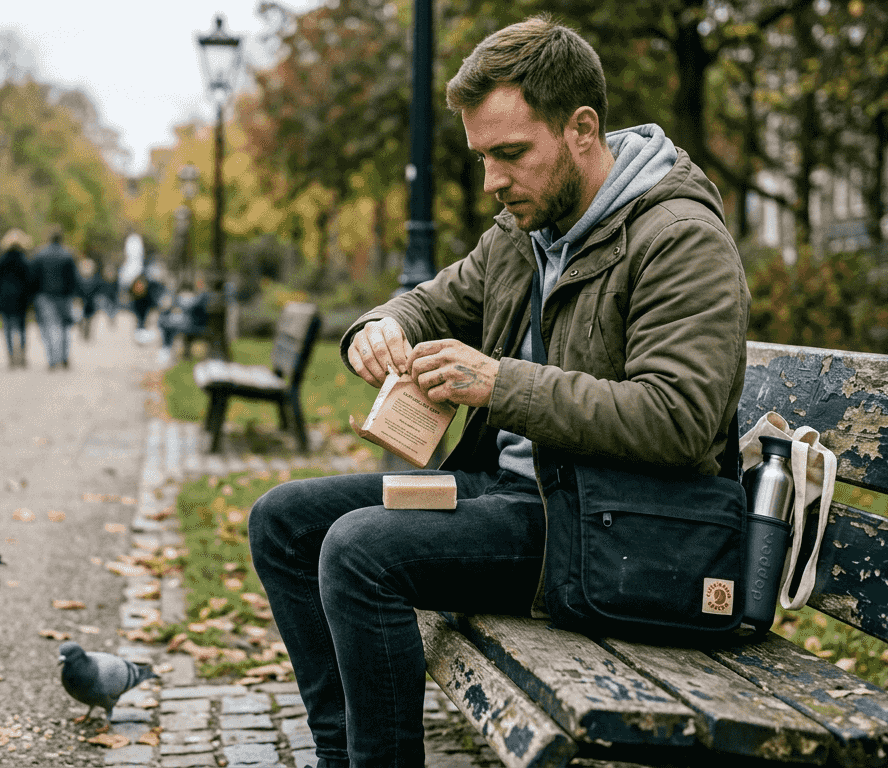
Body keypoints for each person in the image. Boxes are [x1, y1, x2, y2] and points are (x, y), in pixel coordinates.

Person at [247, 17, 749, 766]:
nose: (492, 181)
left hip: (608, 525)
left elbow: (678, 419)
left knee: (358, 552)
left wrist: (499, 383)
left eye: (510, 154)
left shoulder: (676, 236)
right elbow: (430, 301)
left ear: (582, 129)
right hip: (512, 495)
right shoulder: (524, 232)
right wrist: (378, 328)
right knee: (283, 521)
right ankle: (343, 754)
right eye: (482, 157)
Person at [29, 230, 78, 370]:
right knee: (64, 328)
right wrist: (72, 295)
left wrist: (34, 295)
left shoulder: (40, 255)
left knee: (49, 327)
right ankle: (63, 357)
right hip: (64, 296)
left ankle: (52, 359)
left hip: (44, 295)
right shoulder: (68, 255)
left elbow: (33, 277)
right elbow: (73, 279)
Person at [0, 228, 33, 368]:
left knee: (8, 328)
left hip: (6, 298)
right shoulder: (24, 260)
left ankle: (11, 355)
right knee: (21, 328)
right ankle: (21, 355)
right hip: (20, 298)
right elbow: (29, 281)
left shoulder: (2, 261)